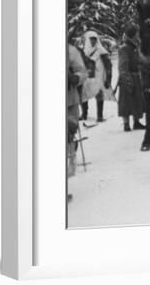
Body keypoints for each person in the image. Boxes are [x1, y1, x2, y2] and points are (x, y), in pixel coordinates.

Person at [67, 43, 87, 201]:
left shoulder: (70, 50)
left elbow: (82, 71)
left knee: (68, 139)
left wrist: (76, 77)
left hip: (68, 102)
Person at [79, 30, 112, 122]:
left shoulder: (102, 51)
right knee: (84, 94)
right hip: (87, 77)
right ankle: (84, 114)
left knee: (99, 94)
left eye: (94, 39)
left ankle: (100, 116)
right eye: (91, 39)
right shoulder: (84, 51)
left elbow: (108, 65)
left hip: (99, 76)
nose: (93, 41)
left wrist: (108, 78)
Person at [118, 25, 145, 132]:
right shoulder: (125, 48)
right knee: (126, 102)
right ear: (132, 35)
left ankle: (136, 122)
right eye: (137, 33)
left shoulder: (135, 47)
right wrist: (128, 80)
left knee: (137, 100)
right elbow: (123, 67)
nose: (138, 35)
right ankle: (126, 124)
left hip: (136, 77)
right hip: (127, 78)